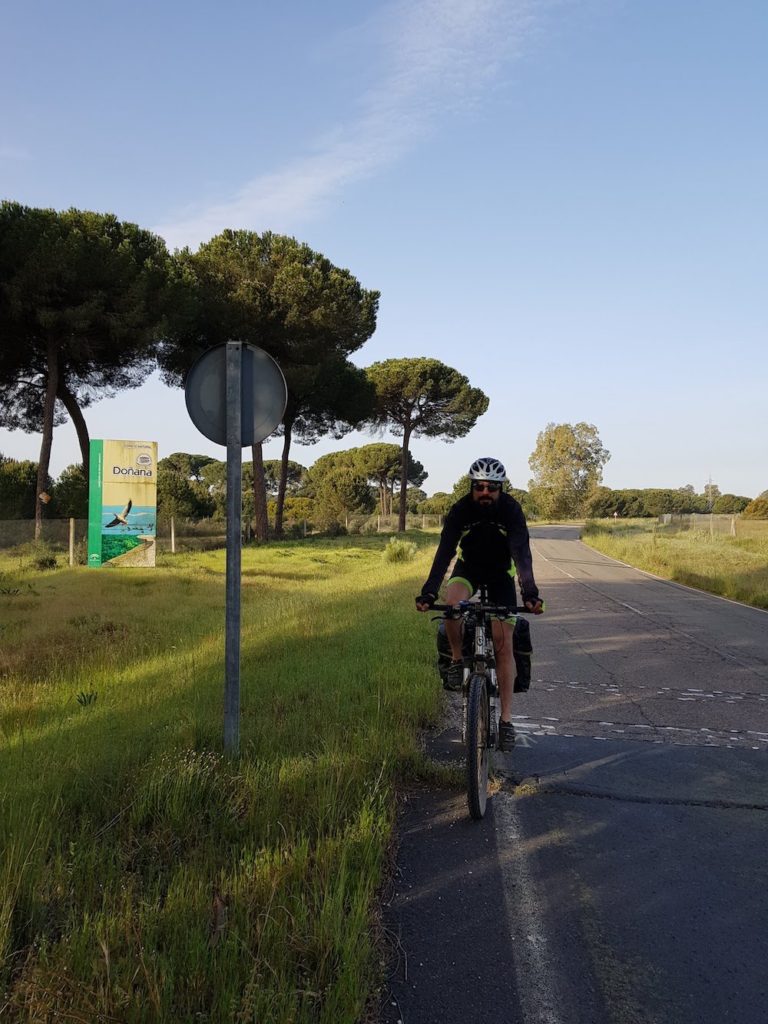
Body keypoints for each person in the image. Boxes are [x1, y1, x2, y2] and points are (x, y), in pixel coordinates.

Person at [416, 457, 544, 751]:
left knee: (503, 641)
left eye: (492, 487)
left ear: (501, 488)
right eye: (480, 487)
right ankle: (458, 659)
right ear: (472, 486)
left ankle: (507, 721)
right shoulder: (461, 510)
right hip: (469, 568)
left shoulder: (511, 510)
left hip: (501, 573)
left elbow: (522, 553)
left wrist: (530, 593)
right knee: (452, 606)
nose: (485, 492)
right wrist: (428, 592)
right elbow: (445, 551)